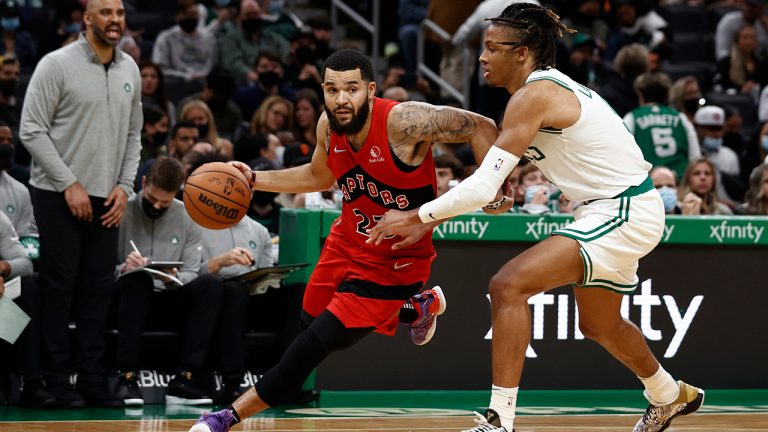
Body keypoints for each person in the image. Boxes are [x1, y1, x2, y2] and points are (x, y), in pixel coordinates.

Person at [367, 4, 704, 432]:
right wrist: (496, 184)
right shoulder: (533, 98)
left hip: (623, 207)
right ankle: (669, 394)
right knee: (600, 324)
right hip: (615, 209)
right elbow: (495, 174)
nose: (482, 57)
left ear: (522, 53)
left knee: (508, 285)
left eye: (492, 48)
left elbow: (483, 186)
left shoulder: (535, 95)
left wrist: (420, 216)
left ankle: (499, 420)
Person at [188, 48, 498, 432]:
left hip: (394, 264)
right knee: (305, 325)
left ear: (370, 90)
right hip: (346, 243)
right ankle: (415, 309)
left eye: (350, 89)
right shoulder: (327, 125)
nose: (341, 99)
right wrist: (253, 178)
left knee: (307, 351)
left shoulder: (404, 123)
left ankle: (223, 419)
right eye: (332, 90)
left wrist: (494, 190)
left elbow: (482, 126)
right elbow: (320, 176)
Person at [19, 0, 141, 409]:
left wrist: (125, 187)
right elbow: (31, 131)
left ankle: (90, 378)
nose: (115, 20)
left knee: (98, 290)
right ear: (86, 19)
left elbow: (134, 136)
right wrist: (68, 183)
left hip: (108, 195)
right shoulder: (56, 64)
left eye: (120, 13)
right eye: (105, 12)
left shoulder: (130, 69)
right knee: (59, 287)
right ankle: (55, 380)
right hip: (57, 193)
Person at [113, 157, 222, 406]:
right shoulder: (122, 209)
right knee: (138, 279)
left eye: (165, 201)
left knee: (211, 284)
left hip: (170, 294)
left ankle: (185, 378)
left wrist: (175, 277)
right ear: (143, 183)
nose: (157, 206)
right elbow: (100, 269)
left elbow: (192, 271)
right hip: (128, 296)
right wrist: (123, 267)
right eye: (152, 199)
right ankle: (126, 377)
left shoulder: (187, 215)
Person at [623, 72, 700, 180]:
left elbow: (621, 154)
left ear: (641, 95)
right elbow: (695, 158)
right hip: (679, 183)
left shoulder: (632, 117)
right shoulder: (681, 118)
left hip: (648, 185)